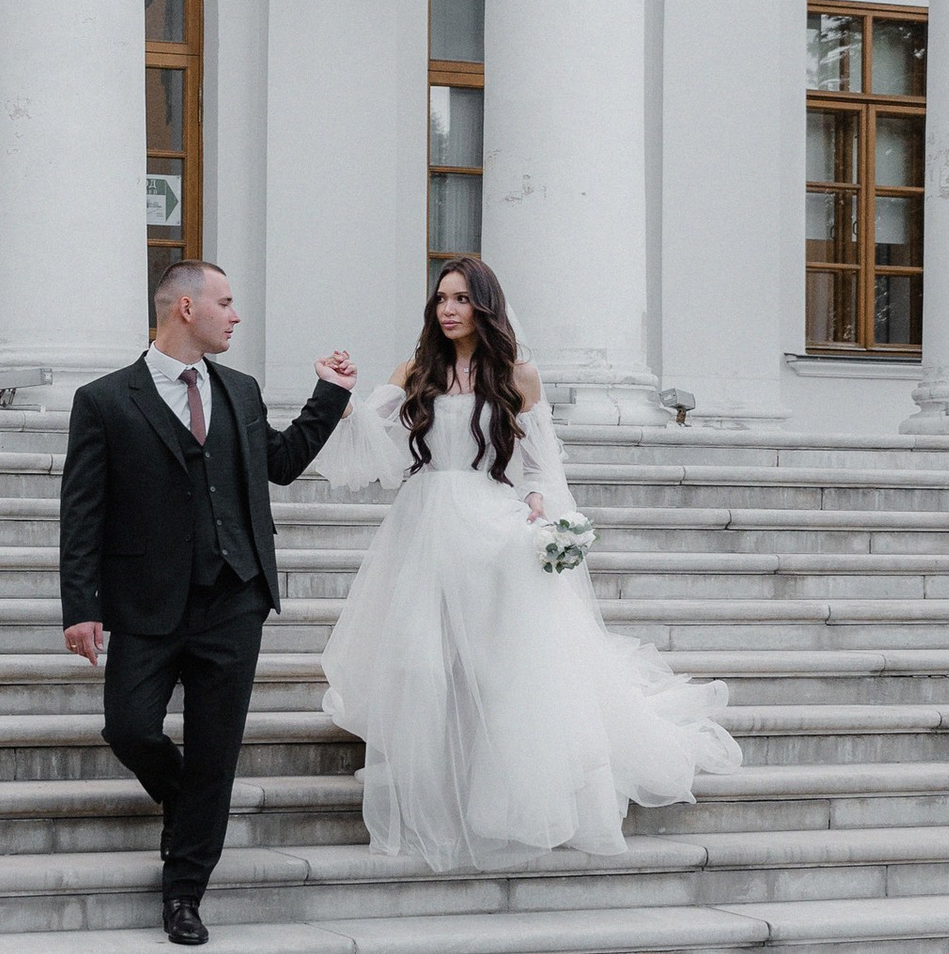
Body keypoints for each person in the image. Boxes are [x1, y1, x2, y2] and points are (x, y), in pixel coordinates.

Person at [316, 255, 741, 869]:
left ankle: (491, 794)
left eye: (461, 298)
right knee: (421, 659)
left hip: (492, 529)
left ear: (484, 305)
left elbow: (541, 464)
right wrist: (342, 395)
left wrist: (544, 510)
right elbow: (370, 446)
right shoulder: (414, 371)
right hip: (423, 524)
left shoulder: (520, 378)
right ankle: (428, 791)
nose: (448, 308)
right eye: (441, 298)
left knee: (494, 665)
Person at [60, 262, 356, 944]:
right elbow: (82, 512)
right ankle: (190, 804)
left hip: (234, 599)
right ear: (186, 308)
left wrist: (330, 395)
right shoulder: (105, 400)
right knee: (130, 727)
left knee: (217, 753)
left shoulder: (242, 392)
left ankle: (184, 893)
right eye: (225, 303)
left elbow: (279, 462)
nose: (235, 315)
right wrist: (81, 604)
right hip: (146, 603)